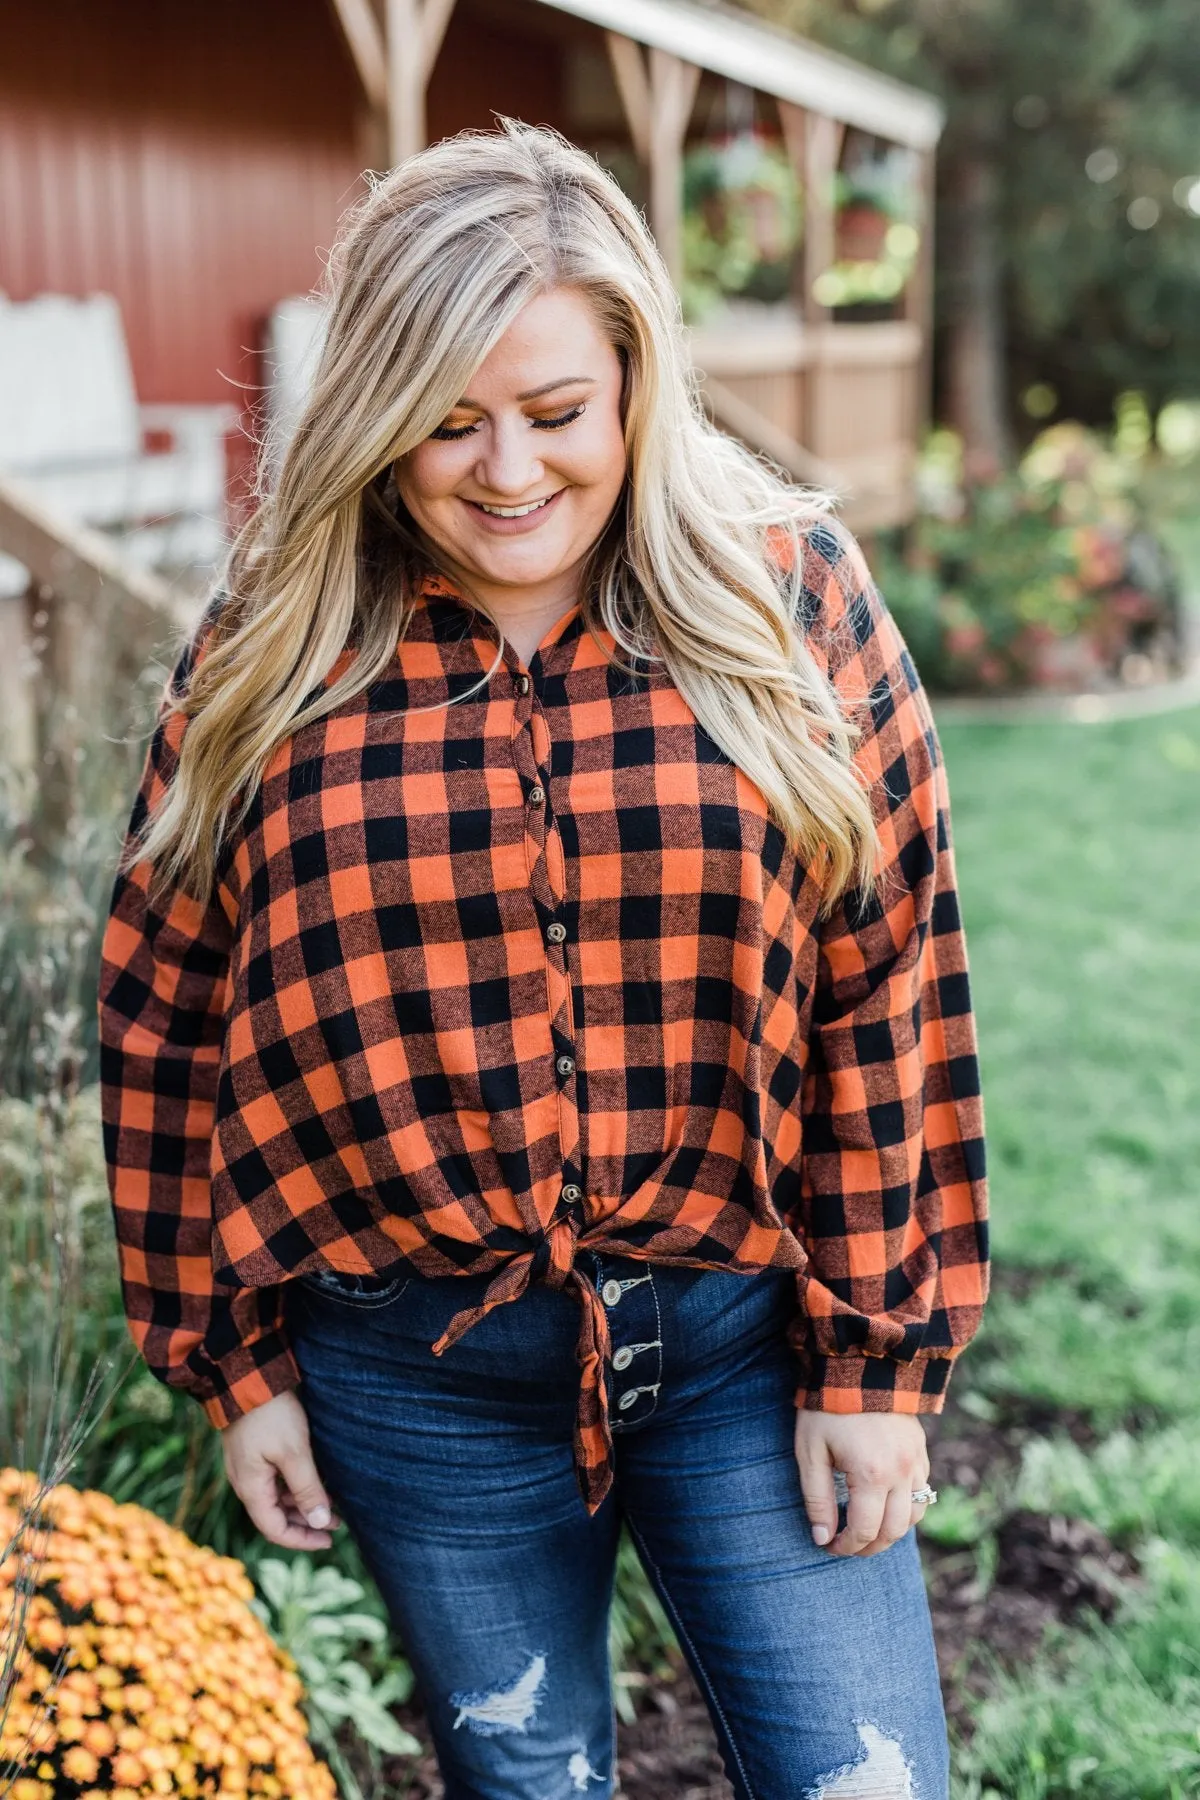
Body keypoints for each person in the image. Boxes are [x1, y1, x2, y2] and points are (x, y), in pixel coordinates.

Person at [97, 121, 989, 1800]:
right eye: (445, 421)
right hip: (411, 1379)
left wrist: (878, 1362)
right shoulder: (276, 644)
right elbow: (165, 1009)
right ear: (371, 410)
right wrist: (232, 1367)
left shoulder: (790, 598)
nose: (506, 470)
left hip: (746, 1343)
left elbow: (893, 977)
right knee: (531, 1784)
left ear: (640, 382)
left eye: (556, 412)